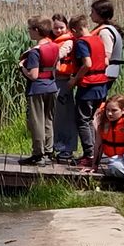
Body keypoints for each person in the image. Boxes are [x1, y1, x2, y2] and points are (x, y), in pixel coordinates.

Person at [18, 16, 60, 165]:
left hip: (37, 89)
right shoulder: (55, 47)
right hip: (52, 87)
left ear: (36, 30)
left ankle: (38, 154)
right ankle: (49, 152)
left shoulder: (35, 51)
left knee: (37, 122)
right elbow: (58, 68)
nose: (28, 32)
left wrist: (22, 67)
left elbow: (34, 75)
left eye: (29, 29)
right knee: (48, 120)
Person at [68, 15, 110, 165]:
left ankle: (89, 154)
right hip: (102, 85)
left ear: (75, 30)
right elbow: (105, 61)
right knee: (95, 119)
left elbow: (87, 63)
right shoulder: (98, 39)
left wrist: (75, 79)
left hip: (88, 86)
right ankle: (97, 152)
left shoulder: (82, 42)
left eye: (72, 33)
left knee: (83, 120)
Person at [51, 14, 78, 163]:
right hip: (52, 81)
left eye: (61, 28)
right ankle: (55, 145)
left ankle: (66, 148)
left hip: (63, 81)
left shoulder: (68, 41)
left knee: (65, 116)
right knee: (54, 117)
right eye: (55, 28)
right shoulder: (51, 40)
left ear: (66, 28)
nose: (58, 30)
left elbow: (61, 53)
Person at [88, 0, 124, 90]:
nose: (90, 15)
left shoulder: (104, 32)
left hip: (105, 74)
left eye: (92, 12)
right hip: (106, 74)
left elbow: (106, 55)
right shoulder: (108, 28)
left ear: (100, 13)